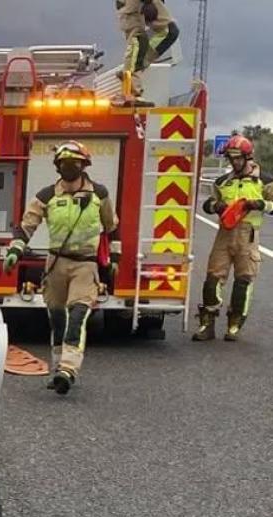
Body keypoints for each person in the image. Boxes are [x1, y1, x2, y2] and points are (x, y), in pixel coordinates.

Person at [4, 141, 119, 395]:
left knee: (77, 316)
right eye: (64, 163)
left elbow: (112, 228)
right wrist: (14, 250)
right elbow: (26, 225)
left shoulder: (99, 195)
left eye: (75, 163)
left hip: (85, 265)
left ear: (84, 165)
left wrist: (115, 260)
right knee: (57, 318)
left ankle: (68, 369)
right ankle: (58, 368)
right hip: (56, 264)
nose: (69, 167)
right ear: (57, 166)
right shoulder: (47, 196)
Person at [196, 134, 272, 342]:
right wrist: (215, 206)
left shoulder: (265, 182)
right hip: (224, 235)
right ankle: (207, 324)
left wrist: (261, 204)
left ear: (248, 158)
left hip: (248, 237)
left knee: (243, 282)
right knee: (212, 280)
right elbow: (208, 205)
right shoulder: (222, 182)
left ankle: (234, 324)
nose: (235, 162)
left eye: (238, 158)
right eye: (231, 158)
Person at [116, 0, 179, 107]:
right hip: (132, 7)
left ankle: (133, 70)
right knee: (138, 40)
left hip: (135, 7)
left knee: (165, 32)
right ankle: (131, 89)